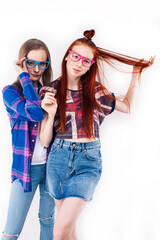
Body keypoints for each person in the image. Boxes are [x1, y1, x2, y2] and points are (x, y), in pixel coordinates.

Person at [39, 30, 154, 240]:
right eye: (76, 56)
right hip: (57, 160)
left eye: (86, 61)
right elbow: (45, 140)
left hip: (87, 162)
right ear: (67, 55)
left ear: (90, 65)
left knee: (59, 231)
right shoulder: (49, 91)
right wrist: (51, 114)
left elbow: (127, 106)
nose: (79, 63)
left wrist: (137, 73)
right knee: (69, 231)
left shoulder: (96, 91)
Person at [1, 39, 55, 240]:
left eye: (43, 64)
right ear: (22, 61)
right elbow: (34, 113)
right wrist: (23, 76)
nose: (37, 69)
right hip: (26, 168)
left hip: (51, 167)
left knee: (48, 221)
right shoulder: (10, 92)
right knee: (11, 231)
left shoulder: (49, 91)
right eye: (31, 63)